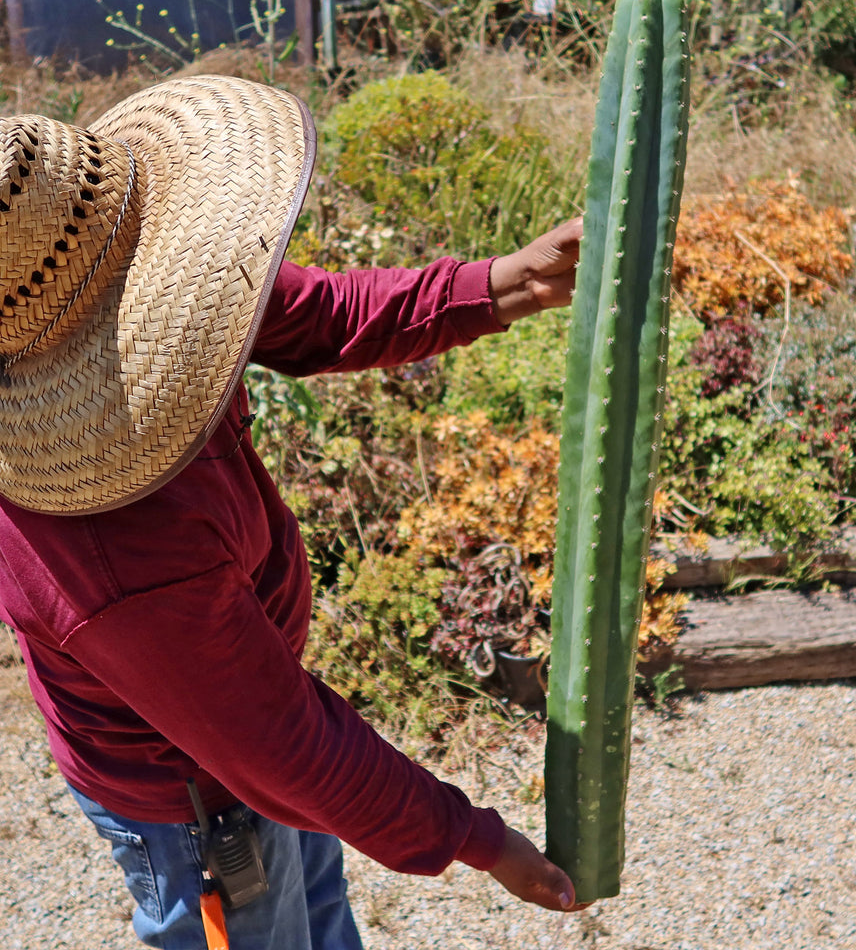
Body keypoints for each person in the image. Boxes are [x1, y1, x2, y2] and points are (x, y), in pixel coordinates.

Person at [0, 74, 585, 949]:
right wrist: (479, 840)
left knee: (317, 914)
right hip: (197, 809)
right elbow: (286, 748)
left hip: (245, 761)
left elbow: (307, 314)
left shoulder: (149, 300)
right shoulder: (116, 552)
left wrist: (500, 286)